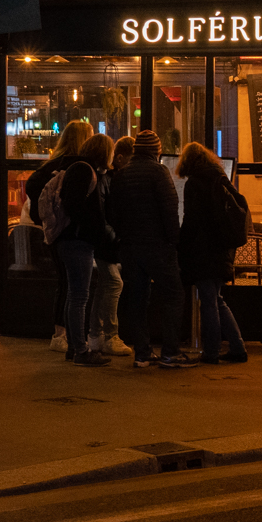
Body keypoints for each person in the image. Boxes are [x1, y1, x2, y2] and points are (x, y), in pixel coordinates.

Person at [110, 129, 187, 368]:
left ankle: (142, 353)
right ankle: (170, 352)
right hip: (157, 246)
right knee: (173, 295)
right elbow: (170, 208)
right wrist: (174, 241)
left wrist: (124, 237)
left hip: (130, 247)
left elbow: (112, 212)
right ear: (156, 151)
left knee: (136, 299)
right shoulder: (159, 172)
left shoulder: (122, 174)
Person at [24, 119, 93, 352]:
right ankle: (66, 336)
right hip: (70, 233)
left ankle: (61, 334)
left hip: (52, 232)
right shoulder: (78, 167)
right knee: (74, 287)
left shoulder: (50, 166)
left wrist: (44, 216)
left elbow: (33, 187)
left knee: (65, 283)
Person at [176, 141, 248, 364]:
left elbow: (191, 220)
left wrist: (181, 245)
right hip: (222, 247)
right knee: (216, 299)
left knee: (208, 301)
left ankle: (211, 351)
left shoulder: (195, 183)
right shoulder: (221, 178)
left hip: (204, 250)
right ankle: (237, 347)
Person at [56, 134, 121, 366]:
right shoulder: (84, 170)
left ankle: (73, 347)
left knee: (74, 294)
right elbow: (74, 205)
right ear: (104, 152)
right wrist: (94, 228)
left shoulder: (78, 167)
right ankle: (82, 352)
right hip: (77, 240)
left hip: (71, 240)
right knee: (80, 296)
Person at [89, 135, 135, 356]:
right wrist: (115, 238)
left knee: (104, 286)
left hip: (105, 242)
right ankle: (110, 335)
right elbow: (103, 215)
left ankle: (95, 334)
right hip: (106, 243)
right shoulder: (105, 178)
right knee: (114, 284)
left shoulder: (107, 177)